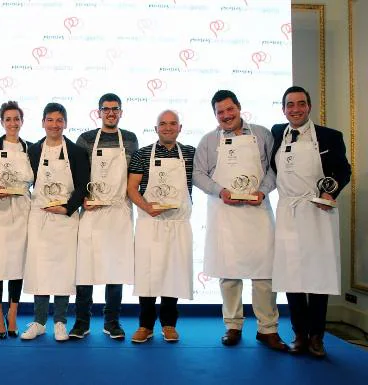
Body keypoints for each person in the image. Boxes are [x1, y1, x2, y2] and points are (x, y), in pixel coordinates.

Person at [193, 90, 287, 351]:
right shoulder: (209, 140)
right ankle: (232, 326)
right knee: (229, 273)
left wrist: (263, 191)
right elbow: (198, 174)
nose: (226, 115)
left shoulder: (262, 134)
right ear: (215, 115)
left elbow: (273, 169)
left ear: (239, 108)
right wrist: (220, 192)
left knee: (264, 274)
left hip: (257, 212)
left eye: (229, 109)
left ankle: (267, 329)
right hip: (225, 213)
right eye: (220, 112)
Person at [271, 86, 351, 357]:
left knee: (318, 275)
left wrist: (330, 192)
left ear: (310, 106)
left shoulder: (329, 136)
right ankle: (300, 335)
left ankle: (317, 336)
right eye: (290, 105)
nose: (295, 109)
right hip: (287, 211)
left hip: (317, 210)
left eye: (301, 104)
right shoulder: (276, 133)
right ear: (283, 109)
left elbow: (343, 169)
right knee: (292, 276)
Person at [70, 93, 138, 340]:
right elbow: (77, 175)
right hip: (92, 211)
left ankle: (112, 322)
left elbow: (133, 176)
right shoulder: (86, 139)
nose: (111, 113)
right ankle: (81, 321)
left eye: (115, 109)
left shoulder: (130, 140)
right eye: (106, 109)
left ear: (121, 112)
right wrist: (82, 200)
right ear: (98, 112)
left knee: (116, 268)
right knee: (85, 268)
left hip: (119, 212)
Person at [21, 102, 90, 342]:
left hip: (64, 219)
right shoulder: (32, 151)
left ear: (66, 124)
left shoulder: (77, 152)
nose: (54, 124)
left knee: (63, 271)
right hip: (39, 216)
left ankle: (60, 321)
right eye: (50, 120)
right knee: (40, 270)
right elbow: (24, 182)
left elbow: (83, 185)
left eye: (59, 120)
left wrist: (68, 208)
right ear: (42, 123)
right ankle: (39, 322)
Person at [127, 110, 195, 343]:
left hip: (178, 224)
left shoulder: (190, 153)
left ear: (180, 127)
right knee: (147, 275)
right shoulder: (142, 154)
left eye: (172, 124)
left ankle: (169, 324)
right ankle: (145, 325)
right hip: (150, 222)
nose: (168, 128)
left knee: (173, 273)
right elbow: (132, 188)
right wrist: (146, 207)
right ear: (156, 129)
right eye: (163, 124)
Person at [0, 101, 33, 339]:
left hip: (22, 212)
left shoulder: (31, 149)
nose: (13, 123)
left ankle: (13, 314)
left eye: (17, 119)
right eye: (8, 119)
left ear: (22, 122)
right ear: (2, 122)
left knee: (16, 265)